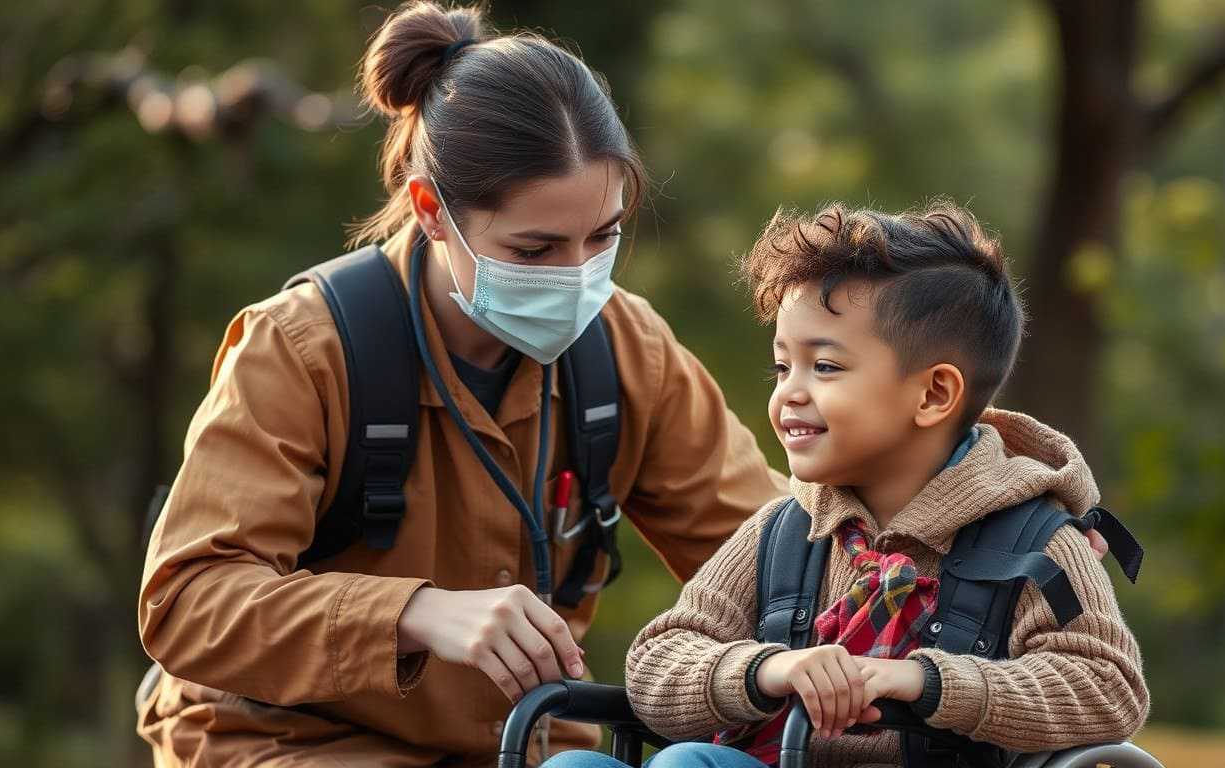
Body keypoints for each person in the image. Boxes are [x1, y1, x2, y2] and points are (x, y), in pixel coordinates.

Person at [134, 3, 790, 766]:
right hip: (291, 743)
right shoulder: (303, 349)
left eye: (602, 237)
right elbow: (188, 603)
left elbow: (774, 557)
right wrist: (413, 614)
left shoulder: (625, 346)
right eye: (535, 247)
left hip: (531, 741)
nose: (577, 277)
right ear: (430, 210)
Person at [547, 201, 1149, 768]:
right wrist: (765, 671)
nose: (789, 393)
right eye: (783, 366)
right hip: (771, 750)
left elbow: (1108, 686)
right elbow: (657, 662)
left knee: (688, 763)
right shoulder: (785, 531)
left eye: (825, 366)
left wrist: (926, 679)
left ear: (934, 393)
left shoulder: (1035, 543)